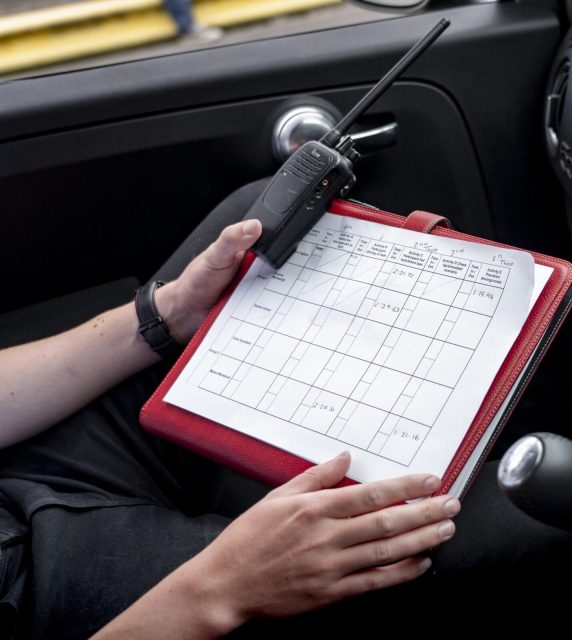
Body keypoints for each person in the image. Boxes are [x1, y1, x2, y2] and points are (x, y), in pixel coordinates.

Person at [0, 218, 460, 638]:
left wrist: (168, 313)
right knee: (434, 542)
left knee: (277, 238)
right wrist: (221, 589)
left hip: (19, 477)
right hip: (51, 603)